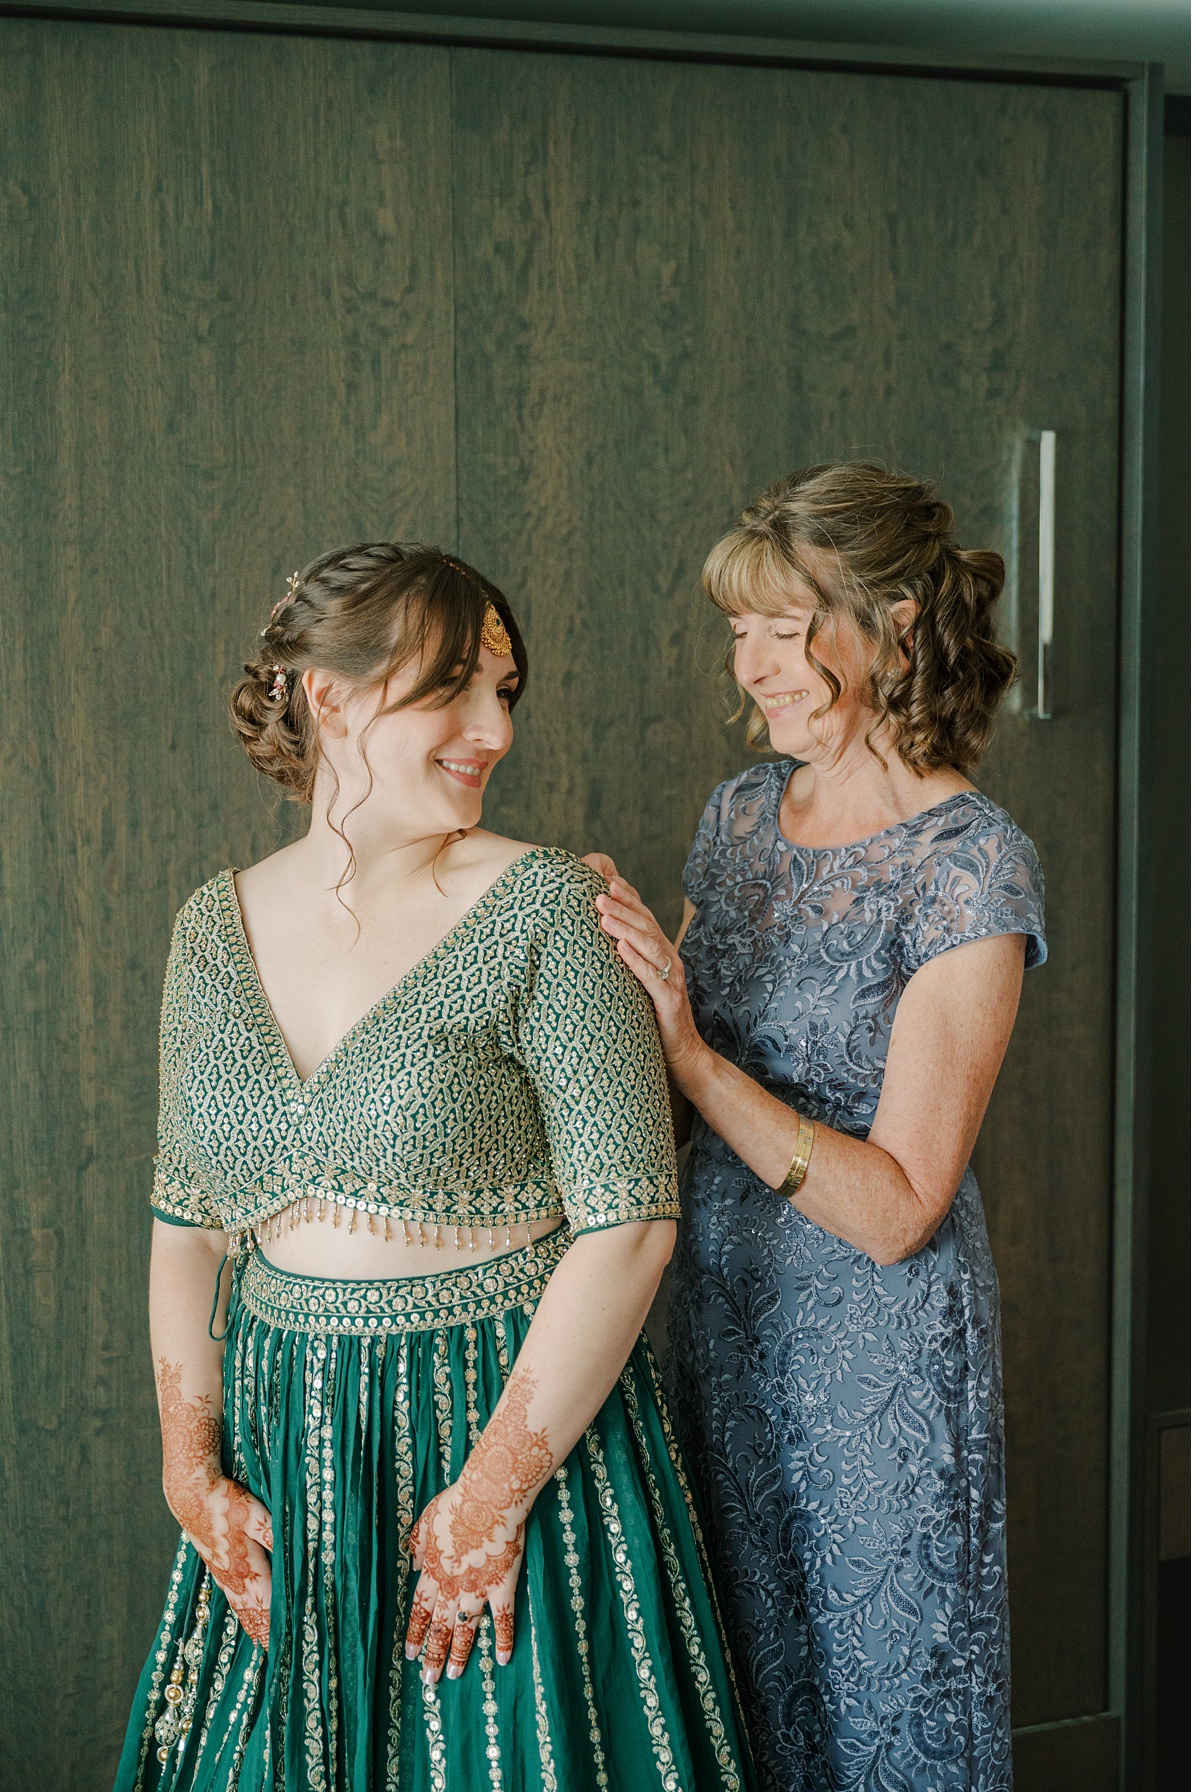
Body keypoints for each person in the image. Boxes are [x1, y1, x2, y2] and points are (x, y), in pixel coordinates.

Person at [118, 544, 751, 1791]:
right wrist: (189, 1470)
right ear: (329, 695)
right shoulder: (211, 927)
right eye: (452, 688)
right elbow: (187, 1227)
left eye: (506, 692)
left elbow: (629, 1226)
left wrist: (487, 1498)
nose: (492, 728)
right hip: (285, 1444)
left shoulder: (548, 910)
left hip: (507, 1421)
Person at [587, 464, 1043, 1792]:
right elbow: (671, 1100)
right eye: (742, 629)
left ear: (896, 626)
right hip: (724, 1327)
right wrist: (593, 989)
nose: (754, 664)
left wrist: (688, 1050)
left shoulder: (973, 865)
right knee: (742, 1701)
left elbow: (901, 1208)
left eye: (784, 628)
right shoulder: (737, 816)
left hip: (880, 1359)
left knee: (885, 1708)